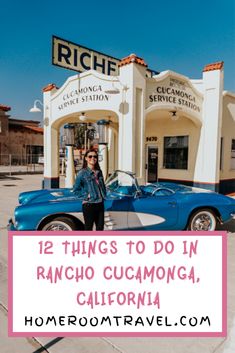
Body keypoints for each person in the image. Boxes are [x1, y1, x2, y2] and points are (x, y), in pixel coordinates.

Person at [73, 149, 106, 230]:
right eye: (90, 156)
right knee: (88, 228)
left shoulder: (99, 172)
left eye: (95, 156)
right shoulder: (82, 173)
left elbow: (102, 186)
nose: (93, 158)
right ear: (86, 158)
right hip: (89, 204)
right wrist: (86, 195)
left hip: (100, 203)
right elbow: (75, 190)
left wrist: (104, 195)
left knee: (100, 228)